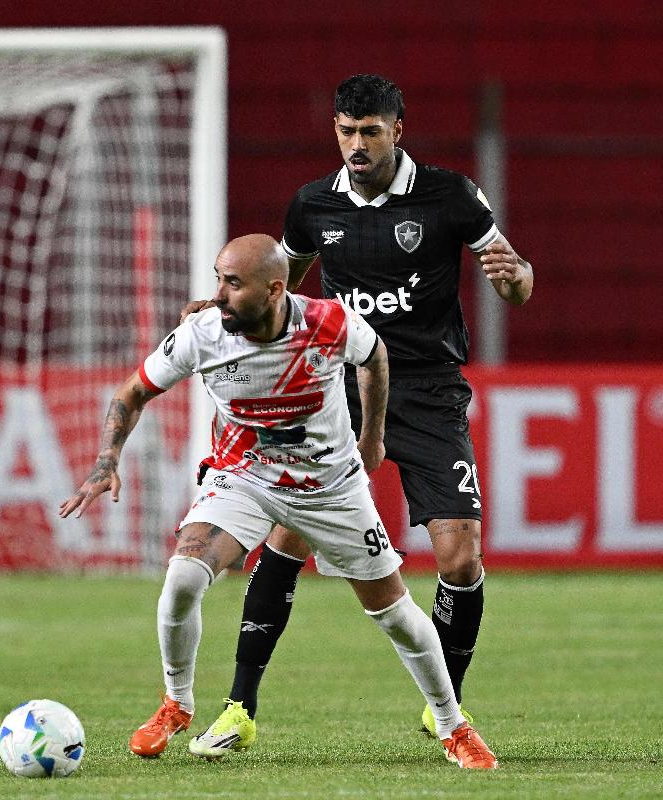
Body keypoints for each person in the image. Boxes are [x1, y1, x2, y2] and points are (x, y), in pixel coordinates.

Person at [182, 74, 533, 753]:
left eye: (370, 131)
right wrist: (226, 309)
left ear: (397, 130)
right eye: (346, 131)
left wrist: (513, 279)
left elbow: (518, 280)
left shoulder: (451, 196)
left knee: (460, 557)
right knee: (288, 535)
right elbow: (279, 285)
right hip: (338, 387)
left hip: (428, 390)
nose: (357, 144)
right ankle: (238, 708)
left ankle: (446, 707)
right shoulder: (313, 205)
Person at [62, 234, 499, 769]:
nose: (217, 295)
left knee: (396, 615)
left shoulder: (328, 323)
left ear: (274, 290)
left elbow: (375, 356)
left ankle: (454, 728)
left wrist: (372, 437)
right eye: (218, 278)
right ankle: (177, 703)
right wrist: (106, 461)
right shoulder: (201, 335)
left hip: (330, 489)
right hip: (245, 480)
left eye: (233, 283)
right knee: (182, 579)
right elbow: (132, 393)